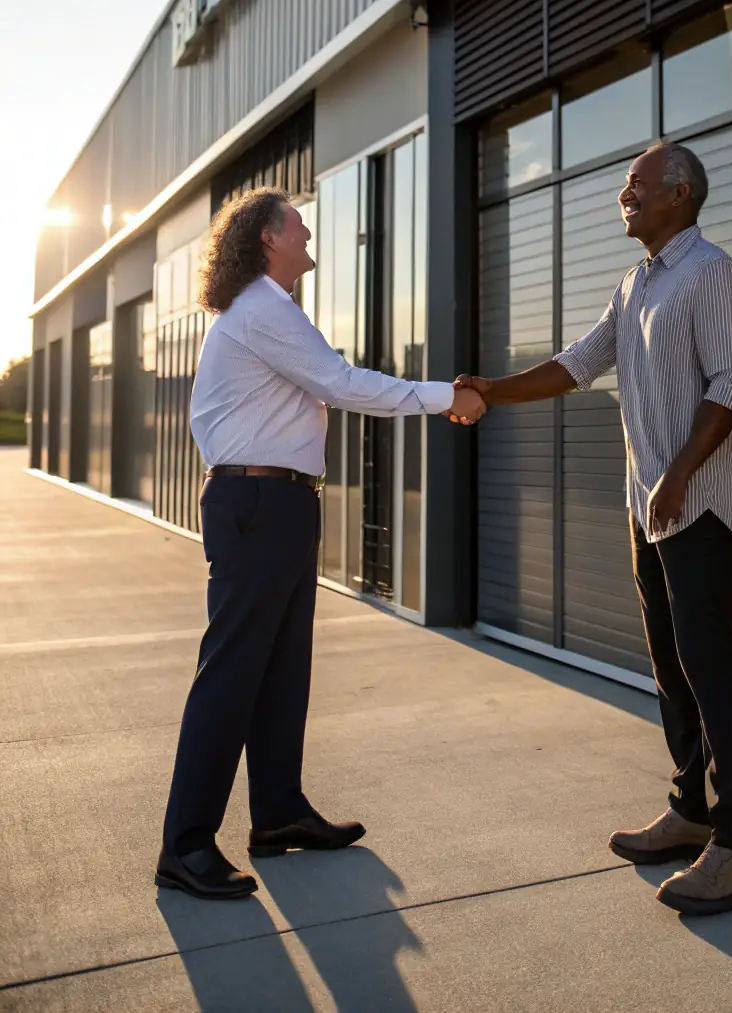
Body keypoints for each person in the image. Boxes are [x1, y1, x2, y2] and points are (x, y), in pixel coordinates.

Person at [456, 141, 732, 917]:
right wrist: (488, 389)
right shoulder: (633, 285)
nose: (623, 194)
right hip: (648, 508)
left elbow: (730, 385)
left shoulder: (713, 274)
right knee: (670, 668)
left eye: (637, 183)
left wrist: (679, 474)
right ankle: (690, 808)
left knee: (711, 667)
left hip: (693, 507)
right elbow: (576, 364)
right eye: (625, 183)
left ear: (680, 193)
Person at [156, 187, 485, 900]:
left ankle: (277, 815)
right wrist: (444, 396)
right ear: (269, 237)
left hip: (278, 502)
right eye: (299, 224)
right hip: (259, 504)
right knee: (233, 674)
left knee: (280, 670)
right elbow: (338, 383)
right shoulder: (263, 309)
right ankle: (184, 844)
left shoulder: (270, 309)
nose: (310, 233)